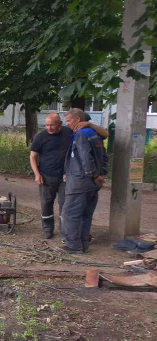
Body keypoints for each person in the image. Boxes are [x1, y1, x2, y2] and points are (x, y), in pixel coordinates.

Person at [30, 112, 108, 239]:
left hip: (66, 177)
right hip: (46, 176)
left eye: (52, 125)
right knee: (46, 203)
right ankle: (47, 229)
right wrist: (37, 174)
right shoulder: (40, 136)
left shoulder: (69, 132)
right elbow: (33, 156)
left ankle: (65, 232)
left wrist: (89, 124)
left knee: (65, 205)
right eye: (46, 125)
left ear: (60, 124)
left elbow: (104, 135)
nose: (49, 128)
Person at [60, 108, 109, 253]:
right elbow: (103, 156)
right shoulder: (94, 134)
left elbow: (86, 158)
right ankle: (83, 245)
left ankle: (73, 246)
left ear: (78, 120)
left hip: (80, 182)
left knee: (70, 214)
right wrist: (101, 175)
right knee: (85, 215)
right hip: (92, 184)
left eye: (68, 120)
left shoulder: (81, 134)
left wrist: (93, 175)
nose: (67, 124)